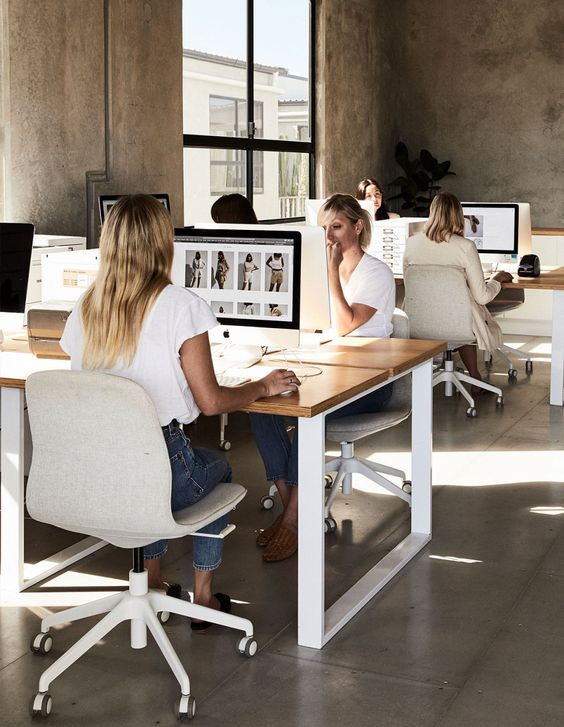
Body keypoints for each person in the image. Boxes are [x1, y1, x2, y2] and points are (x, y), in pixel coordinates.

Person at [60, 194, 299, 628]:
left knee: (145, 484)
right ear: (162, 242)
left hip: (96, 469)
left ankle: (151, 581)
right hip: (158, 461)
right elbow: (211, 403)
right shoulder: (179, 305)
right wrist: (262, 385)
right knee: (220, 472)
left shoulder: (85, 306)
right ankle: (203, 597)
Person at [250, 193, 396, 562]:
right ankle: (292, 511)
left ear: (357, 226)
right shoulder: (316, 269)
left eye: (336, 226)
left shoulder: (374, 272)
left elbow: (345, 325)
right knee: (258, 405)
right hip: (327, 363)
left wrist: (330, 270)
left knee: (305, 413)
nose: (328, 235)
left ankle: (295, 519)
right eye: (323, 228)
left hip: (371, 378)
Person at [403, 191, 513, 391]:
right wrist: (497, 279)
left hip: (419, 322)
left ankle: (474, 379)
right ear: (457, 215)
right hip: (457, 324)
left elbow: (410, 283)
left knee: (457, 310)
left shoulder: (411, 243)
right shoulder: (465, 246)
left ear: (432, 213)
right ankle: (475, 380)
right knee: (462, 312)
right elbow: (482, 296)